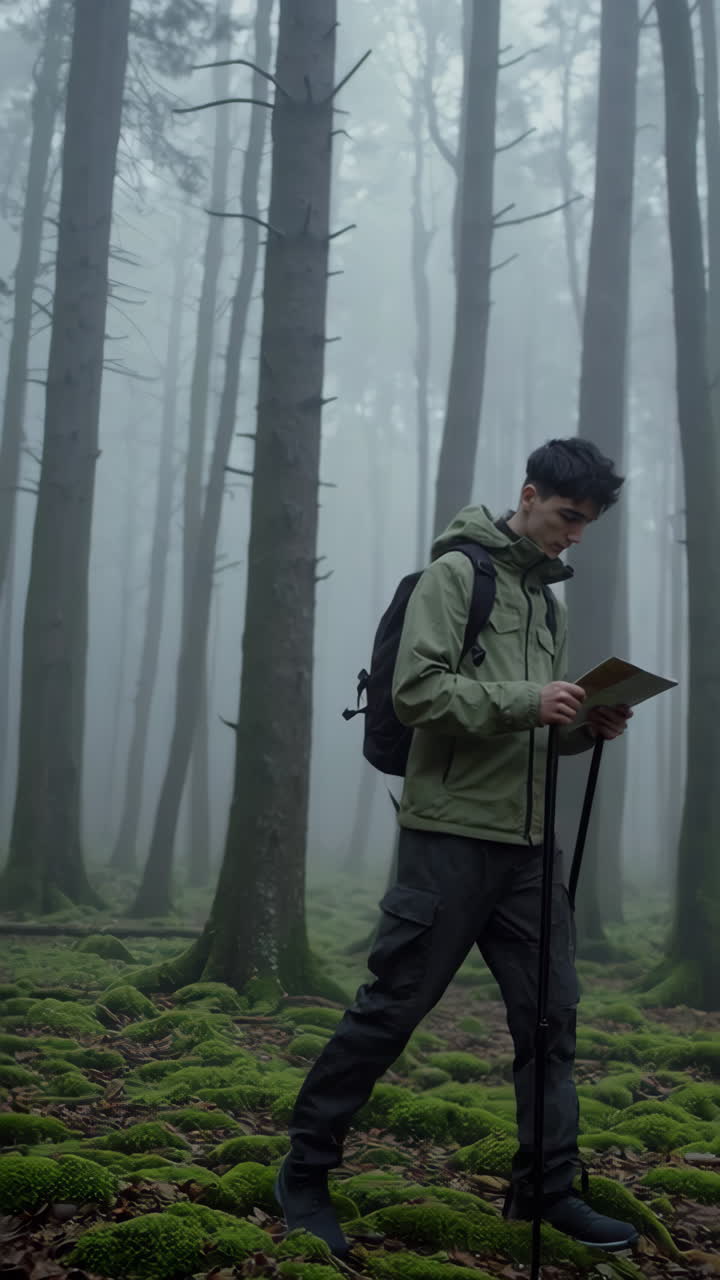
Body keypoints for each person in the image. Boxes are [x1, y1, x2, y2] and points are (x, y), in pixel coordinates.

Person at [275, 438, 637, 1257]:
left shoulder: (547, 600)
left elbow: (531, 729)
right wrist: (528, 699)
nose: (573, 535)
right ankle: (303, 1174)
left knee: (551, 1021)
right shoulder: (455, 575)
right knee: (389, 1012)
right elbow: (418, 691)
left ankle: (544, 1193)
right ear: (530, 493)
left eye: (587, 525)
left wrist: (584, 725)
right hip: (447, 842)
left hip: (529, 848)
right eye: (566, 516)